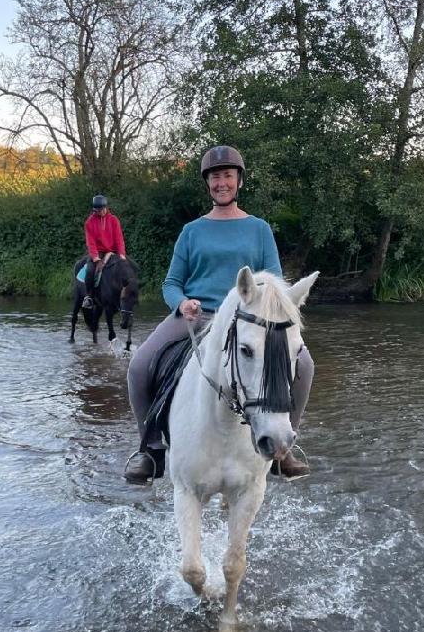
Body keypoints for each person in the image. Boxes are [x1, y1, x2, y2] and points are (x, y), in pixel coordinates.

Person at [124, 145, 313, 482]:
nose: (221, 182)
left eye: (227, 175)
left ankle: (284, 448)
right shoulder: (191, 231)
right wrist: (182, 303)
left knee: (306, 365)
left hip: (249, 320)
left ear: (238, 181)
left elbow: (274, 283)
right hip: (197, 318)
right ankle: (150, 449)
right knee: (139, 366)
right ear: (207, 183)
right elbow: (172, 283)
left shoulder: (259, 229)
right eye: (215, 177)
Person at [82, 194, 126, 309]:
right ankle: (89, 297)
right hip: (98, 252)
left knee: (130, 268)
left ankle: (129, 295)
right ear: (95, 210)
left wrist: (121, 254)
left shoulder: (114, 220)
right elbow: (90, 242)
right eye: (98, 210)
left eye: (102, 209)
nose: (101, 212)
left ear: (106, 207)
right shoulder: (89, 223)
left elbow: (119, 238)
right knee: (90, 270)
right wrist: (95, 257)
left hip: (113, 251)